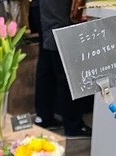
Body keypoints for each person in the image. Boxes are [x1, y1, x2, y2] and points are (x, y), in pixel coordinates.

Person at [32, 0, 91, 137]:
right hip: (57, 13)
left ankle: (44, 117)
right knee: (65, 65)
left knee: (47, 63)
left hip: (45, 10)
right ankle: (72, 124)